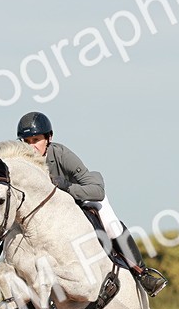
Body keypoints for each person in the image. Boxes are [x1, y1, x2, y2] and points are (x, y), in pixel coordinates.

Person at [16, 111, 168, 297]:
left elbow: (96, 189)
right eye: (26, 141)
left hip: (80, 199)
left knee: (111, 224)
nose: (31, 147)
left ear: (49, 138)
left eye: (36, 140)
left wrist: (66, 187)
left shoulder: (60, 154)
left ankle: (142, 274)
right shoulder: (21, 163)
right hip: (50, 214)